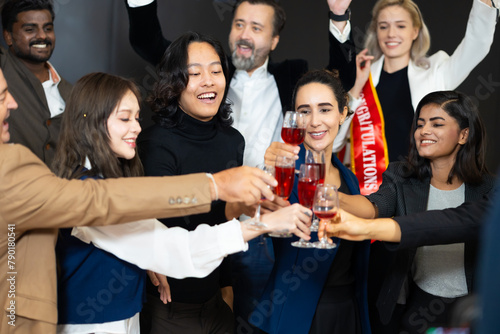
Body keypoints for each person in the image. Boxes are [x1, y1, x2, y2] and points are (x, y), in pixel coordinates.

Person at [0, 66, 310, 334]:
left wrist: (146, 259)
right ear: (92, 122)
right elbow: (178, 249)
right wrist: (260, 223)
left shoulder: (109, 183)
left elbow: (158, 242)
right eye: (125, 118)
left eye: (137, 117)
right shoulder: (84, 190)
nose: (137, 126)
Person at [124, 1, 357, 329]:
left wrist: (339, 17)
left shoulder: (291, 75)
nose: (245, 35)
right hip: (207, 234)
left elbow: (340, 79)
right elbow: (148, 41)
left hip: (270, 226)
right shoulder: (211, 70)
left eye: (257, 28)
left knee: (262, 322)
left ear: (275, 40)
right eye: (239, 24)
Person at [336, 90, 494, 333]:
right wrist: (330, 197)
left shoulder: (489, 189)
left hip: (470, 310)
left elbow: (454, 223)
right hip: (415, 308)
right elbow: (372, 207)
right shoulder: (401, 176)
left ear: (464, 134)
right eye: (420, 124)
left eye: (436, 124)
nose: (424, 131)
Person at [136, 31, 248, 333]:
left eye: (216, 70)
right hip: (169, 305)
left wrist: (227, 287)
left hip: (215, 300)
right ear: (174, 84)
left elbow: (223, 218)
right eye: (194, 73)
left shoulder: (233, 141)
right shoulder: (155, 142)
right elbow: (151, 217)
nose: (209, 81)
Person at [328, 0, 497, 194]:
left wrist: (486, 2)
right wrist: (356, 87)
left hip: (420, 188)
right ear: (376, 31)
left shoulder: (436, 71)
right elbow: (335, 141)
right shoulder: (361, 77)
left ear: (415, 31)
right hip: (369, 190)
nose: (391, 34)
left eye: (400, 25)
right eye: (384, 26)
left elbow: (476, 47)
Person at [252, 69, 371, 333]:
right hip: (297, 314)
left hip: (348, 311)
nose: (315, 121)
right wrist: (268, 169)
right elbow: (262, 205)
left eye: (325, 110)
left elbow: (371, 215)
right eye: (304, 111)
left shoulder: (349, 178)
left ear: (342, 113)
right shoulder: (286, 172)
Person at [0, 0, 72, 165]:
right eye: (30, 29)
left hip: (59, 188)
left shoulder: (70, 92)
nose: (42, 36)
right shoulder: (3, 67)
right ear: (8, 36)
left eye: (48, 28)